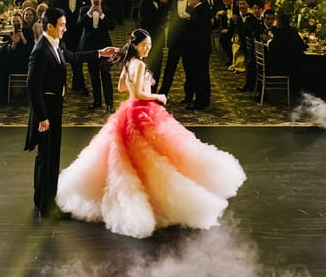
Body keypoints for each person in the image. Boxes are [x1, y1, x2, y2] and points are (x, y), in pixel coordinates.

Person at [55, 28, 246, 239]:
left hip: (128, 110)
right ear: (135, 45)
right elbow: (137, 93)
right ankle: (152, 199)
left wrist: (139, 83)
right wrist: (157, 96)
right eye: (144, 45)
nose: (147, 49)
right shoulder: (139, 64)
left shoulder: (129, 63)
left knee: (129, 156)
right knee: (151, 156)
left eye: (149, 46)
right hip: (141, 112)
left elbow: (121, 88)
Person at [24, 7, 117, 217]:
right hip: (46, 113)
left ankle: (46, 201)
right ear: (50, 26)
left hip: (54, 110)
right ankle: (45, 205)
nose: (65, 29)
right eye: (62, 25)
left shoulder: (54, 45)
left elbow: (73, 56)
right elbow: (32, 86)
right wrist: (43, 117)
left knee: (51, 156)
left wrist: (99, 53)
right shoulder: (40, 51)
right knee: (46, 157)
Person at [78, 0, 117, 112]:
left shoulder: (108, 11)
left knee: (105, 73)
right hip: (90, 47)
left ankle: (110, 103)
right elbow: (79, 25)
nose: (96, 0)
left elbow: (112, 26)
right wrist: (90, 12)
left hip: (104, 45)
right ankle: (97, 101)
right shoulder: (84, 10)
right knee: (93, 74)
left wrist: (101, 14)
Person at [53, 0, 89, 94]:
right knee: (63, 59)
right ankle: (62, 85)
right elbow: (55, 12)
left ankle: (79, 84)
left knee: (78, 58)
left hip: (79, 32)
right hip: (64, 32)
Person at [182, 0, 212, 110]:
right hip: (200, 47)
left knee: (200, 74)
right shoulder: (200, 9)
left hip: (200, 48)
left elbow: (201, 27)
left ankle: (200, 101)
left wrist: (189, 18)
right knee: (201, 73)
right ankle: (203, 99)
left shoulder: (201, 9)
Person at [138, 0, 168, 91]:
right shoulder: (144, 3)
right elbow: (154, 20)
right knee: (151, 66)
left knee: (158, 67)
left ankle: (153, 91)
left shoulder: (157, 2)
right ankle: (148, 91)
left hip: (157, 38)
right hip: (149, 39)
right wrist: (163, 5)